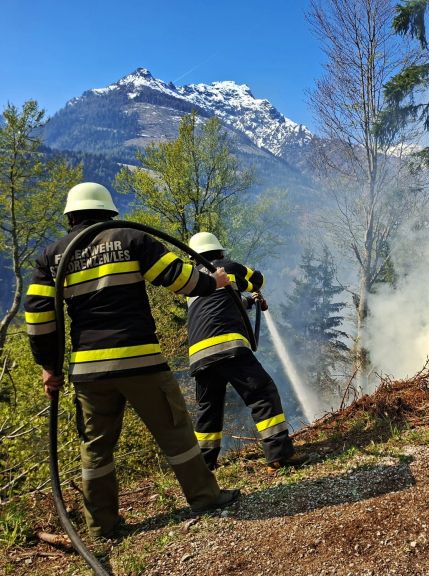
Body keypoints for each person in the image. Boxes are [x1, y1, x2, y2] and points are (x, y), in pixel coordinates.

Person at [24, 182, 240, 539]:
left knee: (95, 448)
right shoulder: (130, 238)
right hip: (139, 361)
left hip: (89, 372)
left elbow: (38, 315)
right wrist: (213, 281)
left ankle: (101, 526)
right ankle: (205, 497)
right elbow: (180, 279)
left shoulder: (51, 256)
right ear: (109, 212)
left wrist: (49, 366)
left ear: (71, 216)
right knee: (175, 432)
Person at [186, 231, 301, 472]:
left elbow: (223, 303)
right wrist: (253, 290)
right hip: (228, 346)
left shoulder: (193, 281)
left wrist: (250, 301)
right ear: (219, 252)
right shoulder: (227, 267)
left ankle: (203, 467)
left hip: (199, 356)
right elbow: (258, 280)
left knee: (209, 409)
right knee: (262, 393)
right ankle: (279, 454)